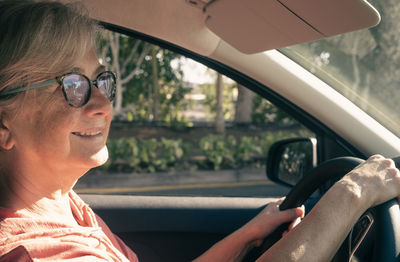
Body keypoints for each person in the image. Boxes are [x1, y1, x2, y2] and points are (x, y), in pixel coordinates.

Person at [0, 1, 399, 262]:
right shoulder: (42, 251)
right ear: (4, 127)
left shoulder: (62, 204)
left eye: (102, 80)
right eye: (73, 86)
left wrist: (246, 236)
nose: (103, 105)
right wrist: (352, 193)